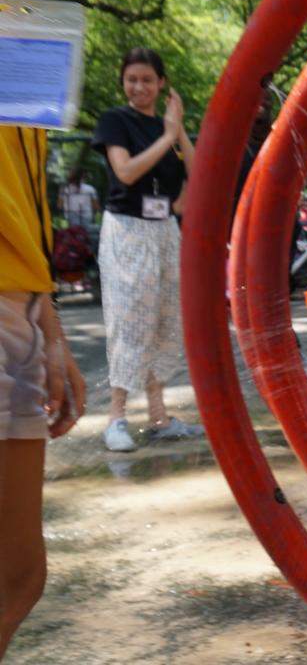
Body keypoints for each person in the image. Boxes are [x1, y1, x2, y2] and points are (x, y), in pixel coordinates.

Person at [1, 0, 88, 654]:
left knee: (19, 576)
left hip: (16, 317)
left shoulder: (20, 37)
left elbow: (24, 198)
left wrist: (52, 335)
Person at [92, 47, 202, 452]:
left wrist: (178, 130)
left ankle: (159, 416)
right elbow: (125, 171)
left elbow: (198, 171)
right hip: (126, 230)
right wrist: (169, 137)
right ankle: (116, 416)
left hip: (165, 230)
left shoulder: (168, 126)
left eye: (147, 80)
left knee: (165, 320)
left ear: (161, 84)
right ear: (123, 82)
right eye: (132, 79)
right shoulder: (115, 121)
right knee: (128, 320)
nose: (139, 87)